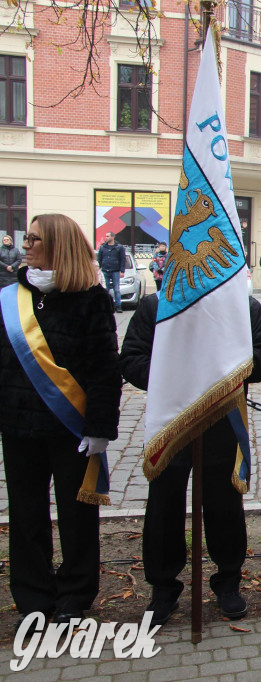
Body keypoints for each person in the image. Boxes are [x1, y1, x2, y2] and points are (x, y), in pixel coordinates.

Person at [119, 292, 261, 624]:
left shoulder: (243, 307)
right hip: (171, 421)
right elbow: (131, 359)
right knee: (164, 508)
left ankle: (228, 583)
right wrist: (177, 377)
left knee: (224, 507)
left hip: (222, 423)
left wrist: (226, 369)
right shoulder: (155, 306)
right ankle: (163, 588)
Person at [0, 214, 121, 624]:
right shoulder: (10, 296)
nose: (26, 244)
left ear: (58, 246)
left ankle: (74, 595)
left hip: (72, 429)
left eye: (35, 238)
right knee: (26, 514)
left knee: (77, 516)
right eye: (27, 237)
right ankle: (33, 598)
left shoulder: (91, 298)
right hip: (19, 427)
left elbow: (106, 368)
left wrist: (101, 428)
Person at [97, 231, 126, 313]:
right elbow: (99, 258)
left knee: (116, 289)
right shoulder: (102, 247)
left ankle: (118, 306)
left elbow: (122, 260)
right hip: (105, 270)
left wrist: (122, 271)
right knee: (105, 289)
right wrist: (98, 269)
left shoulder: (119, 247)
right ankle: (105, 306)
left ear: (112, 237)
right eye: (106, 236)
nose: (106, 237)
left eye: (108, 236)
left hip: (115, 271)